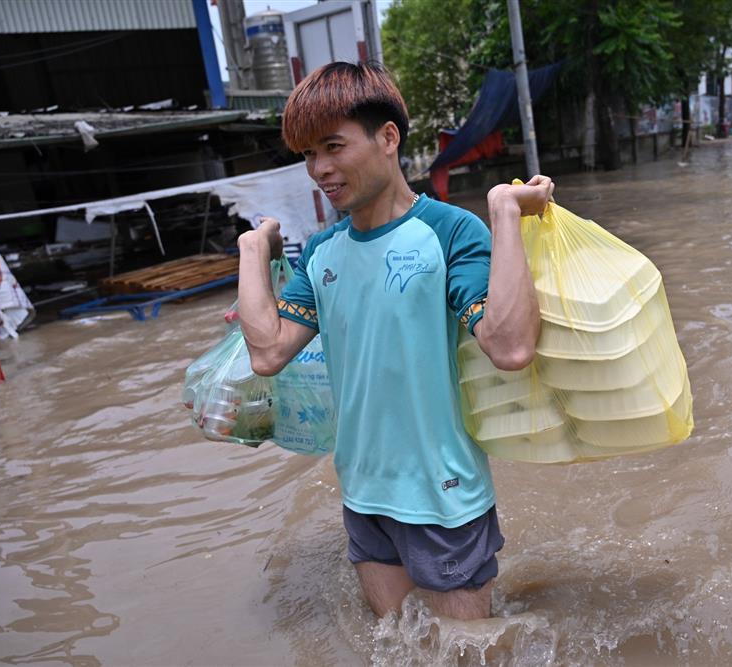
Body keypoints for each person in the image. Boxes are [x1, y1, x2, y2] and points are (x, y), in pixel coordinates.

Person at [235, 61, 552, 621]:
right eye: (308, 154)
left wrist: (503, 213)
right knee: (397, 648)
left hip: (443, 496)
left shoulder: (450, 231)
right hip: (362, 493)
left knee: (468, 655)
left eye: (333, 147)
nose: (319, 169)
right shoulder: (321, 252)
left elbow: (510, 348)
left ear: (388, 138)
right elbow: (268, 353)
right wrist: (253, 251)